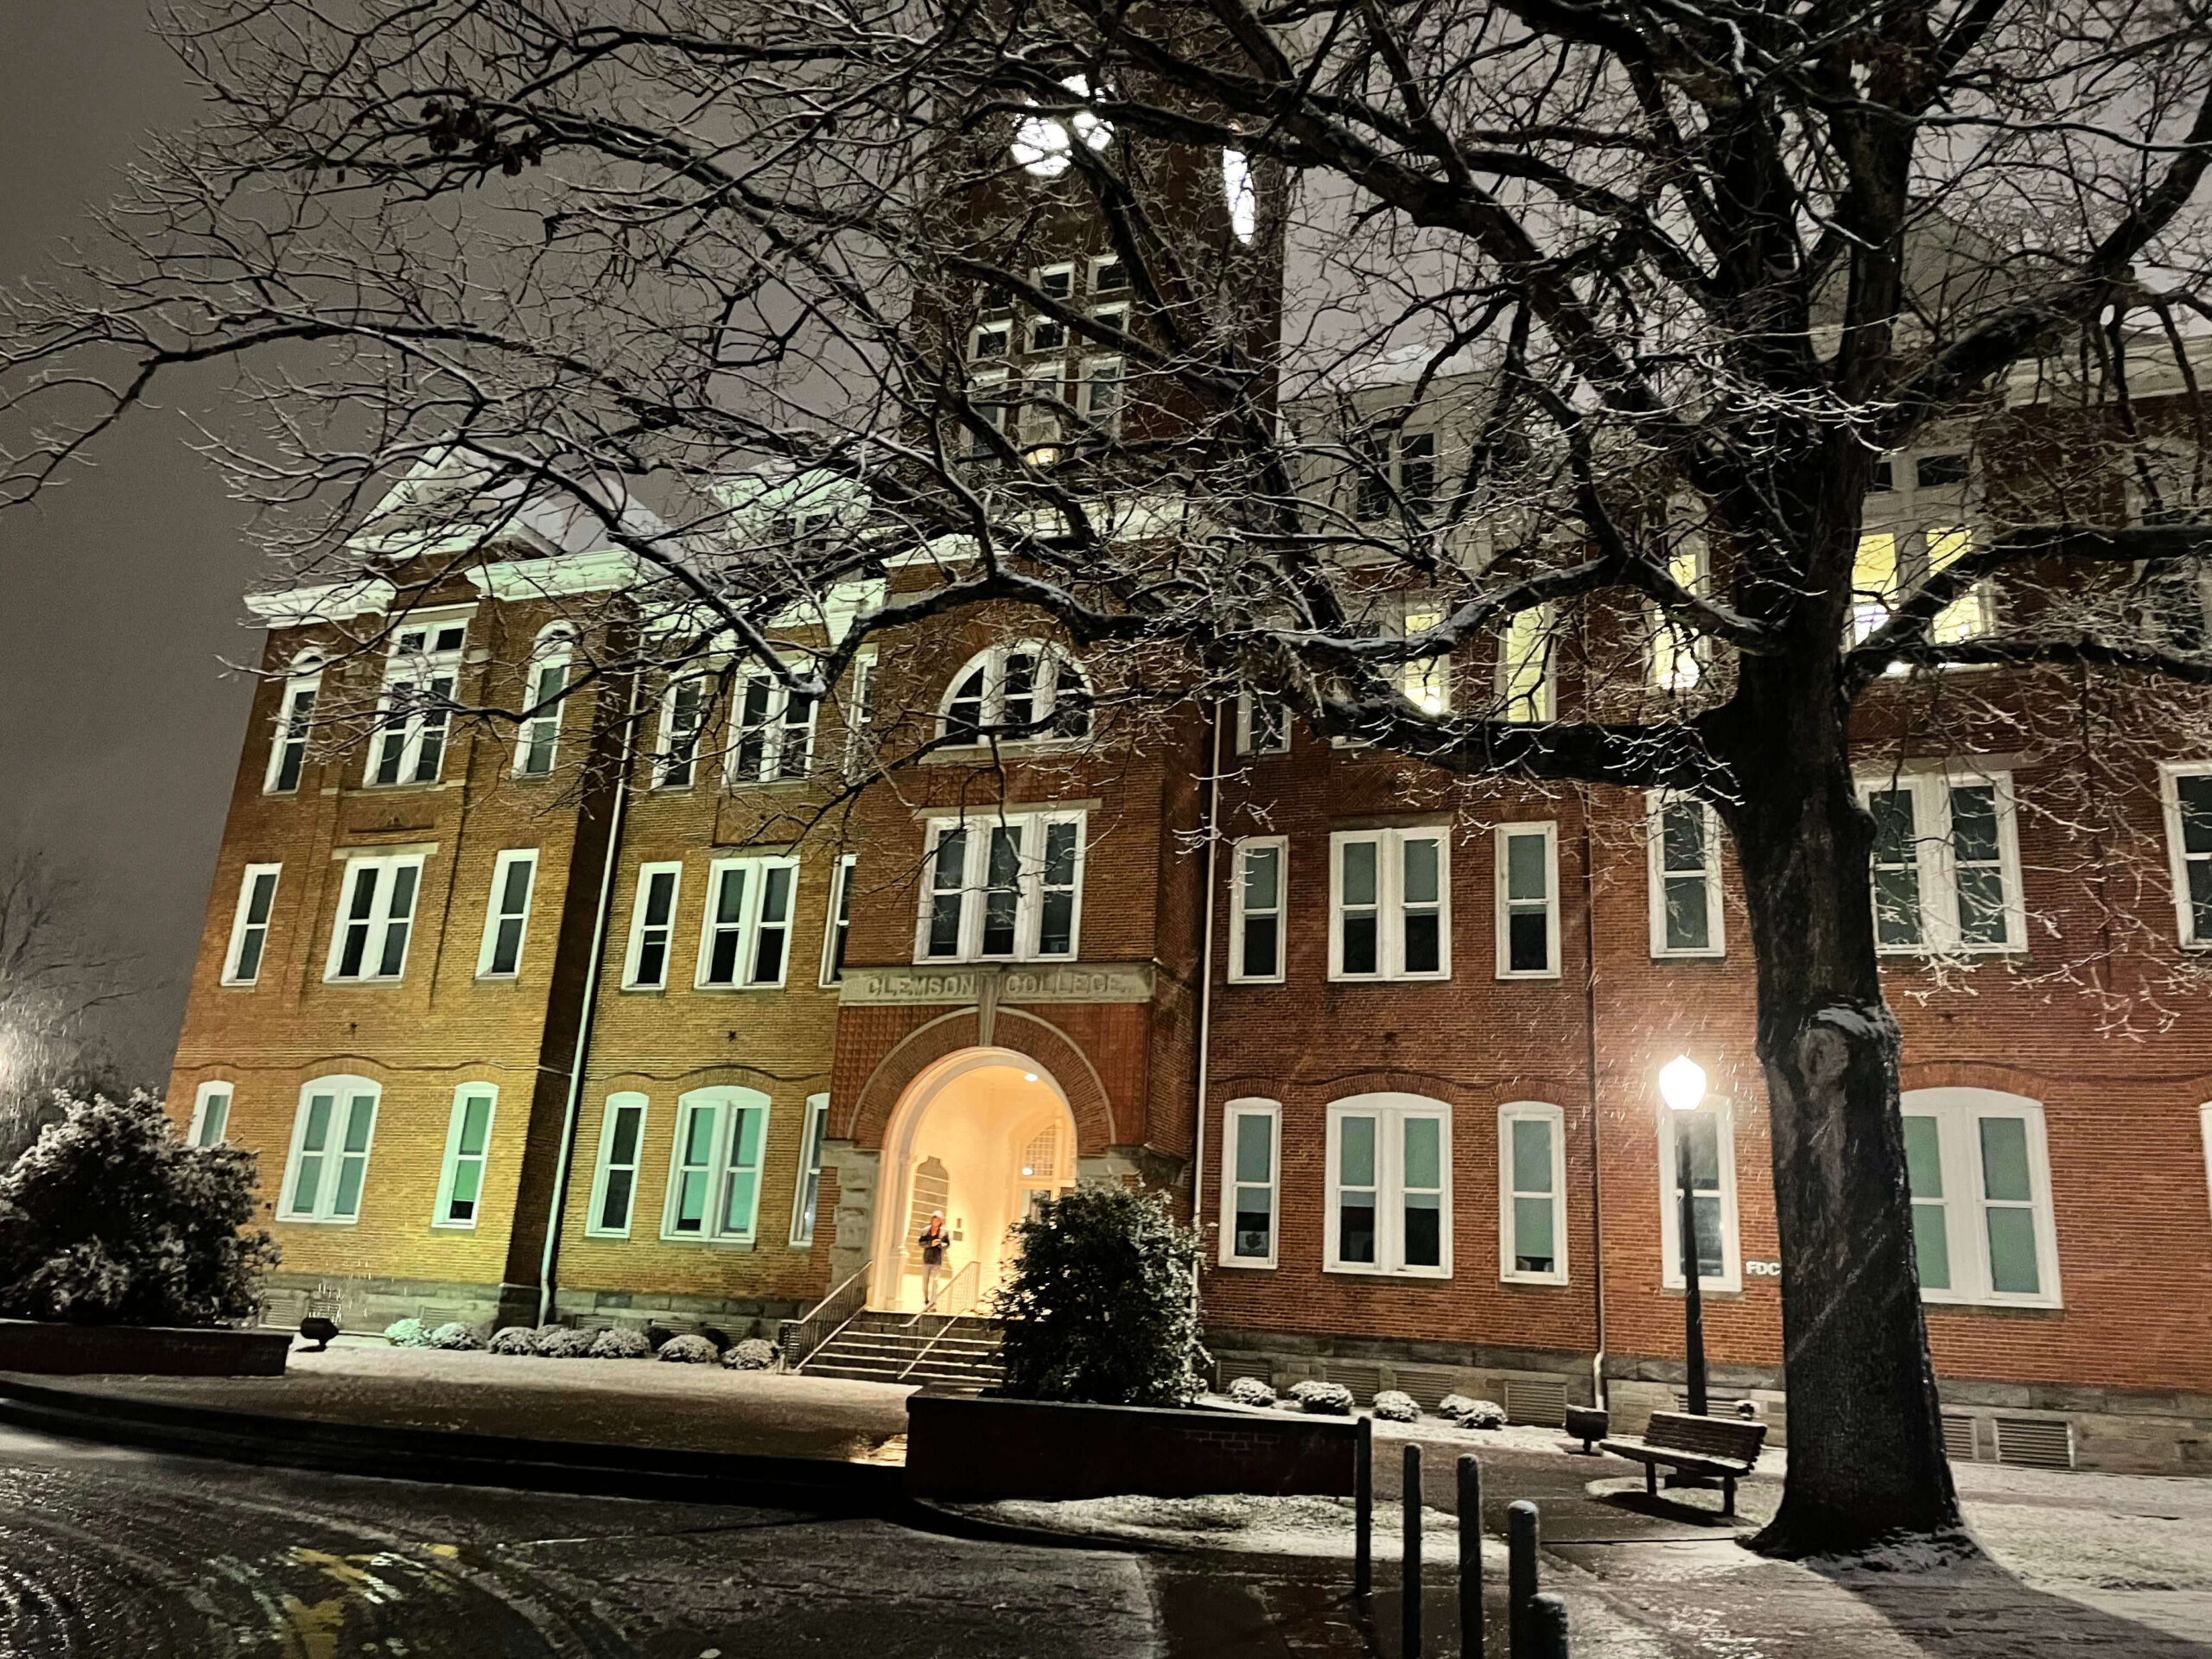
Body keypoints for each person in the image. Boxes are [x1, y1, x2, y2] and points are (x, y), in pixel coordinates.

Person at [918, 1211, 950, 1309]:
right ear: (932, 1220)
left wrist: (939, 1244)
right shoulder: (925, 1230)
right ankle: (926, 1300)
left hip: (937, 1260)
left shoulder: (944, 1232)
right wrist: (930, 1244)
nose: (936, 1222)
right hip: (927, 1259)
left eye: (938, 1220)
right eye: (935, 1219)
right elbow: (921, 1243)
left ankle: (933, 1302)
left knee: (935, 1282)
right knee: (925, 1282)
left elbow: (947, 1244)